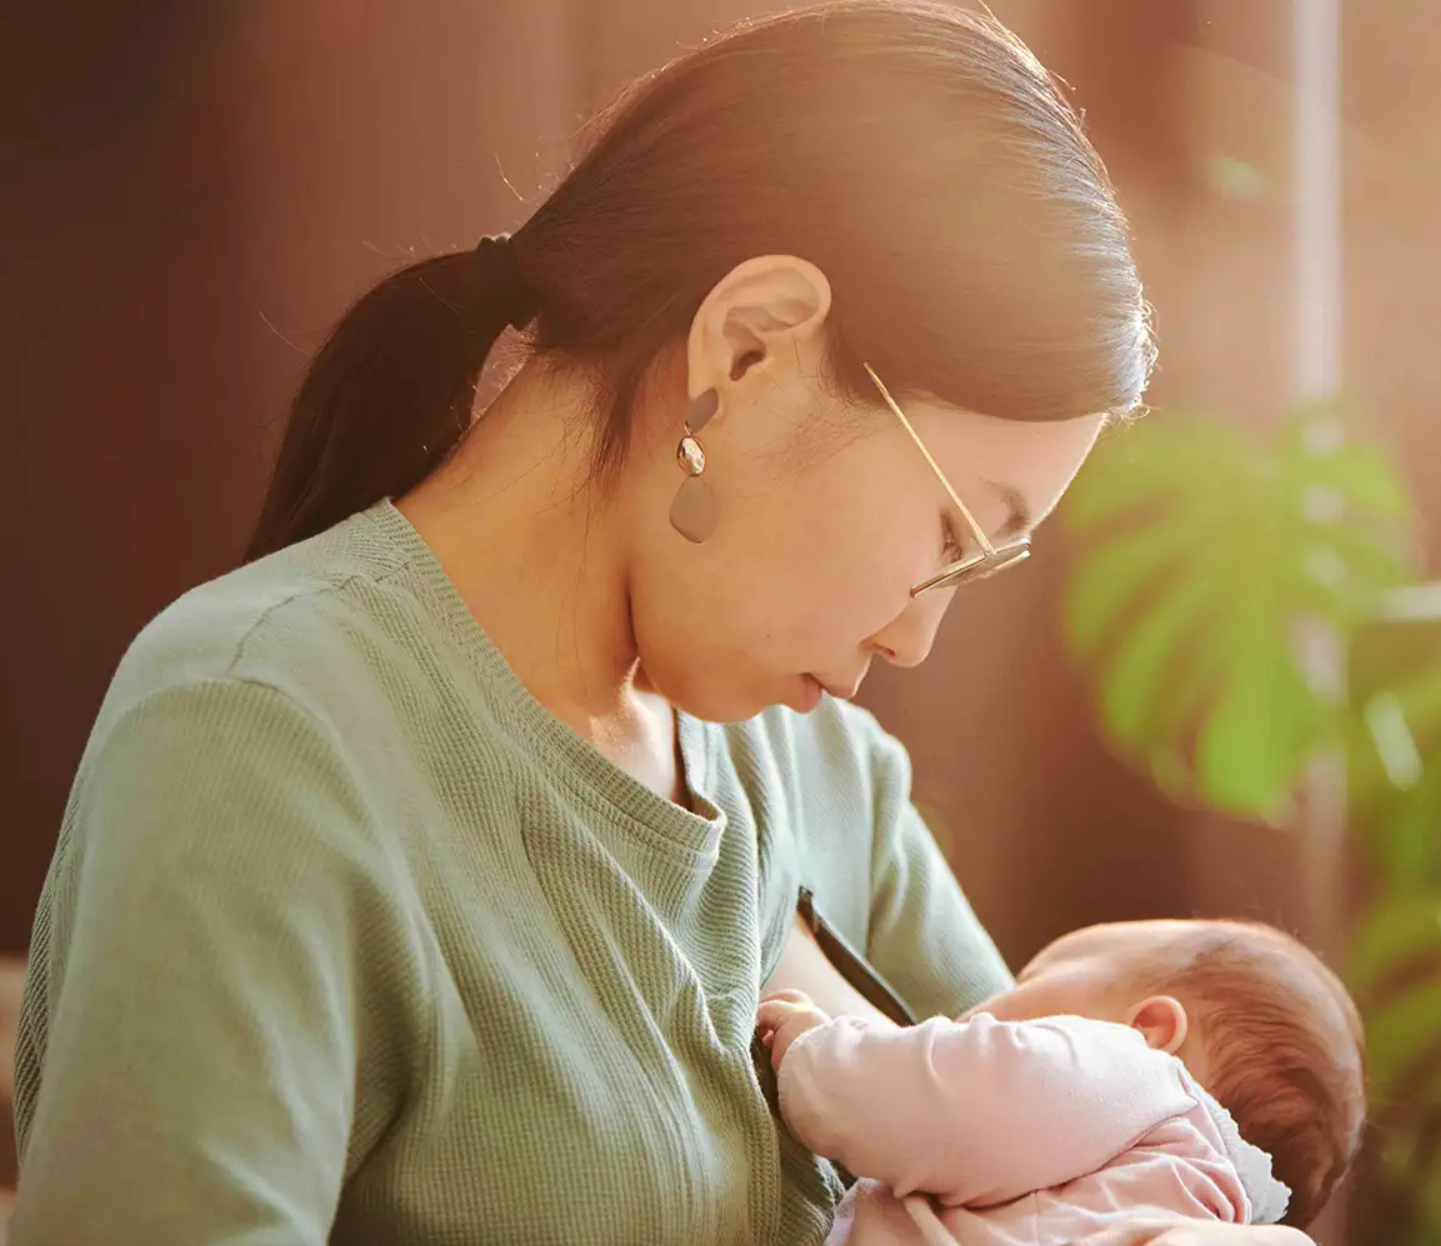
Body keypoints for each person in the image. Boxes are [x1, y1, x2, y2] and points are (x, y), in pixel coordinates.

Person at [9, 2, 1311, 1243]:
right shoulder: (263, 736)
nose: (915, 640)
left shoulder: (828, 783)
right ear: (749, 347)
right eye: (948, 536)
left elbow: (1106, 1153)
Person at [757, 919, 1367, 1245]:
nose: (991, 1001)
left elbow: (950, 1100)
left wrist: (818, 1050)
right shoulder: (1172, 1191)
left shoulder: (1136, 1076)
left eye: (1032, 976)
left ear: (1149, 1028)